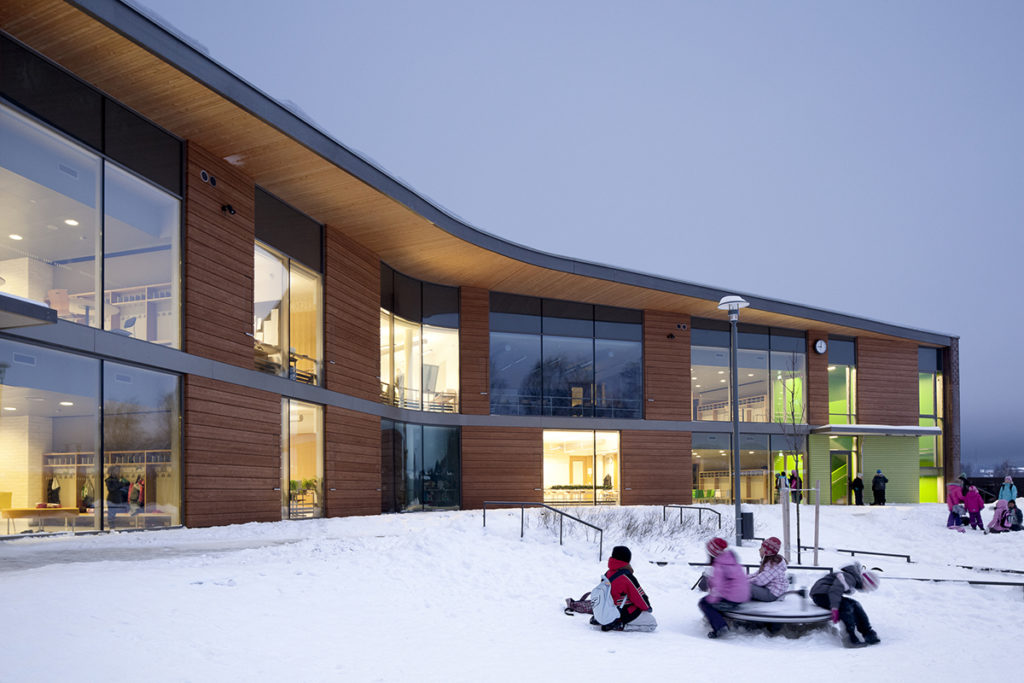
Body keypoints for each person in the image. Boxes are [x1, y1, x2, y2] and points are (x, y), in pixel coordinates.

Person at [809, 561, 881, 648]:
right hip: (820, 594)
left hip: (825, 593)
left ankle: (868, 633)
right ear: (865, 582)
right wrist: (835, 608)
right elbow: (835, 590)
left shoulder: (850, 577)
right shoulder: (849, 577)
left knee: (855, 604)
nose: (866, 590)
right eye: (867, 588)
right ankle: (850, 639)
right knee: (846, 607)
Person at [698, 537, 751, 639]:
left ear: (712, 553)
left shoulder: (719, 565)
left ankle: (720, 627)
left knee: (704, 603)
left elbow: (718, 587)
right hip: (743, 596)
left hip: (732, 599)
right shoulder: (731, 559)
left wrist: (711, 600)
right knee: (711, 601)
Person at [594, 545, 656, 632]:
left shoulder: (607, 573)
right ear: (627, 559)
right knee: (652, 624)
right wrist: (647, 607)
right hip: (620, 613)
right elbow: (639, 597)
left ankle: (610, 621)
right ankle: (622, 626)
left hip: (606, 610)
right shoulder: (626, 577)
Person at [748, 536, 788, 602]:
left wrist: (743, 582)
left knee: (747, 587)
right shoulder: (769, 562)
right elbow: (757, 574)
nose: (759, 550)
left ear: (767, 551)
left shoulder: (774, 565)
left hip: (773, 594)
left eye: (761, 548)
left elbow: (760, 581)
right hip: (768, 590)